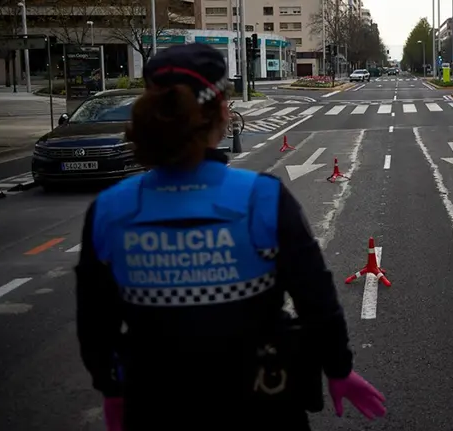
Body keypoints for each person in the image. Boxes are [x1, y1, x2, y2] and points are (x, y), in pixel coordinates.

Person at [75, 43, 386, 430]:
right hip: (262, 406)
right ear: (222, 112)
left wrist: (113, 390)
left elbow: (95, 325)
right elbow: (316, 299)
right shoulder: (262, 199)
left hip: (155, 407)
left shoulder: (109, 211)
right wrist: (338, 369)